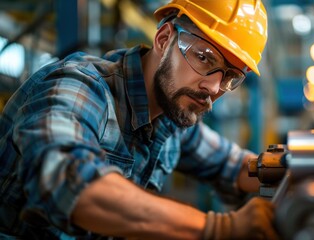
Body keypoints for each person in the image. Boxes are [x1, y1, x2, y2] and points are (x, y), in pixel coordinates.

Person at [0, 0, 278, 239]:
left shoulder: (172, 116)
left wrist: (288, 170)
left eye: (229, 77)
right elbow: (71, 185)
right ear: (164, 39)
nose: (214, 88)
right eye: (205, 58)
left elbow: (232, 166)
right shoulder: (81, 88)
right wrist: (219, 229)